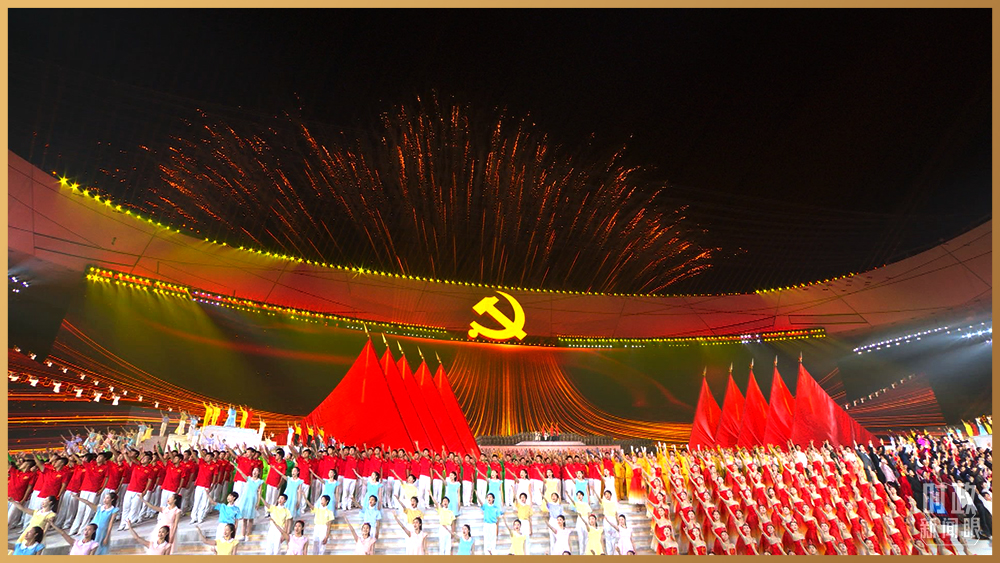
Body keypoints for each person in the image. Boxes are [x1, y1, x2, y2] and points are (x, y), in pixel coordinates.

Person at [70, 490, 117, 555]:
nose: (105, 499)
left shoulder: (113, 510)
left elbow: (110, 523)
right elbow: (88, 503)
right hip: (92, 528)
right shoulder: (100, 508)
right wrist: (77, 497)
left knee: (98, 547)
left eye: (107, 498)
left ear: (112, 500)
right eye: (104, 498)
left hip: (102, 531)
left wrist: (107, 536)